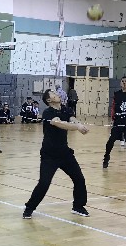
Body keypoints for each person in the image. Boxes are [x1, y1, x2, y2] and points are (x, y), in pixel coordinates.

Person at [23, 89, 90, 219]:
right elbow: (59, 123)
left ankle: (78, 206)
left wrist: (79, 125)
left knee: (79, 179)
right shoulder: (48, 113)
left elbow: (72, 118)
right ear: (49, 100)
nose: (57, 94)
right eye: (53, 94)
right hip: (49, 155)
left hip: (64, 153)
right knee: (44, 183)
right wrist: (77, 127)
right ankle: (29, 208)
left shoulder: (65, 109)